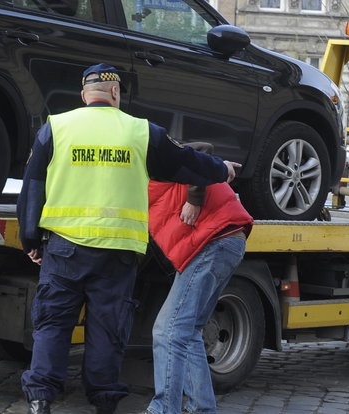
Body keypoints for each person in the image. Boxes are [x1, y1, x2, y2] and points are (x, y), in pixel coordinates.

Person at [16, 63, 240, 414]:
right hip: (117, 255)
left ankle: (41, 399)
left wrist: (30, 238)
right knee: (107, 331)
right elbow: (187, 163)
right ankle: (104, 403)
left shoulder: (56, 128)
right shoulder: (140, 131)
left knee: (52, 326)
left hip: (64, 249)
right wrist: (221, 170)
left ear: (83, 95)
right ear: (116, 94)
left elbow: (32, 187)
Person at [145, 142, 254, 414]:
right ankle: (203, 408)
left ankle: (163, 410)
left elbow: (201, 149)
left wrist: (195, 198)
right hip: (222, 241)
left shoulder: (147, 151)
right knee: (188, 330)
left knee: (168, 330)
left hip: (213, 241)